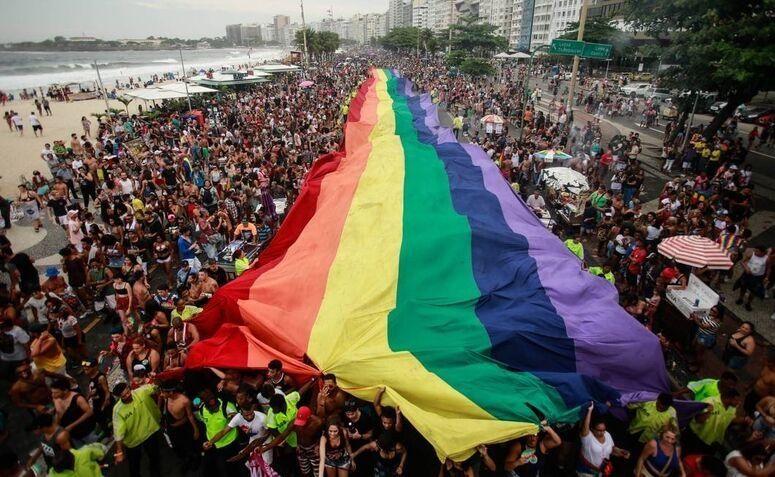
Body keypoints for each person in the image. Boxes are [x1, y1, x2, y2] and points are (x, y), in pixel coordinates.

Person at [111, 382, 162, 477]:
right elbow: (118, 432)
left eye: (128, 392)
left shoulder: (140, 392)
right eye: (124, 396)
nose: (128, 395)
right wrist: (119, 451)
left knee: (154, 457)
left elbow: (155, 387)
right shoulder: (117, 410)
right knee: (134, 465)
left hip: (149, 432)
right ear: (119, 398)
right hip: (133, 441)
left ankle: (156, 473)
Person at [197, 387, 245, 476]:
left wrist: (211, 442)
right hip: (214, 445)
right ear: (203, 401)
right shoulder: (202, 410)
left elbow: (236, 422)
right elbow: (205, 424)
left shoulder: (227, 406)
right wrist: (208, 442)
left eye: (212, 397)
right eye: (208, 399)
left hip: (229, 443)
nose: (211, 400)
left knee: (234, 467)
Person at [685, 387, 742, 455]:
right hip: (695, 437)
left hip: (712, 443)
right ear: (729, 398)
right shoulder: (710, 402)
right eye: (737, 400)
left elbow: (729, 419)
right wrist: (708, 412)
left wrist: (743, 420)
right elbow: (699, 420)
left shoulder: (732, 409)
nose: (739, 403)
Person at [158, 380, 200, 474]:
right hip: (171, 427)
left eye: (163, 392)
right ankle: (184, 461)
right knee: (177, 447)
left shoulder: (184, 400)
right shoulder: (165, 397)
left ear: (171, 392)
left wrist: (195, 430)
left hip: (183, 428)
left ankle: (194, 463)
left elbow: (190, 415)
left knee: (189, 446)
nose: (161, 394)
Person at [577, 403, 630, 477]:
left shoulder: (607, 434)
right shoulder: (587, 437)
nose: (601, 432)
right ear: (592, 429)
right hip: (587, 472)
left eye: (603, 430)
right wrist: (589, 411)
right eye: (599, 430)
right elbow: (585, 427)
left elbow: (612, 449)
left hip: (602, 473)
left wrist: (621, 451)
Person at [50, 377, 98, 447]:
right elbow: (59, 414)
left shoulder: (78, 398)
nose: (53, 395)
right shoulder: (56, 399)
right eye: (52, 392)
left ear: (65, 391)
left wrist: (72, 425)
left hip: (86, 431)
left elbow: (89, 412)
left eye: (56, 392)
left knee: (96, 449)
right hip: (73, 435)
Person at [735, 247, 771, 311]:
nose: (755, 252)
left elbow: (768, 268)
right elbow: (743, 261)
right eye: (755, 250)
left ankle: (748, 303)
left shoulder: (767, 259)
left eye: (757, 251)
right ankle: (740, 298)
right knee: (743, 287)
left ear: (762, 252)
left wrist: (767, 277)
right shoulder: (752, 254)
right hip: (747, 275)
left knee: (753, 291)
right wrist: (746, 267)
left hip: (758, 277)